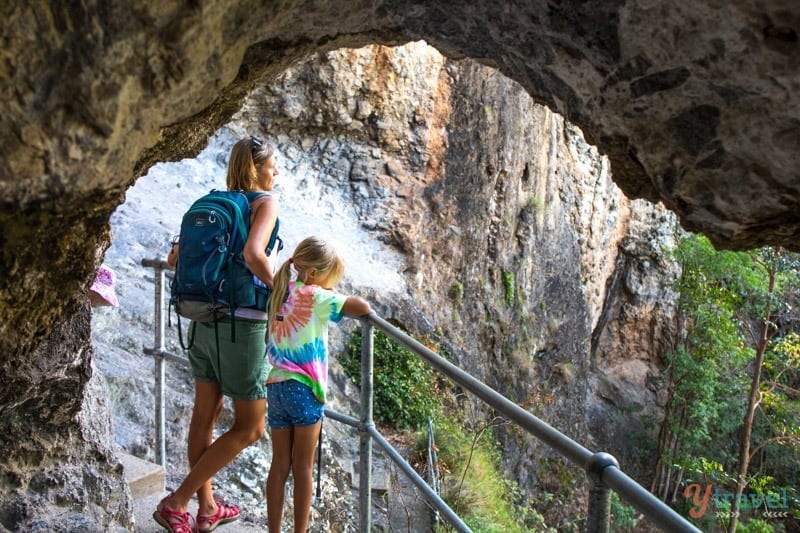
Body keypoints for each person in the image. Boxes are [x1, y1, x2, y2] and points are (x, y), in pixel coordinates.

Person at [155, 137, 280, 533]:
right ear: (258, 170)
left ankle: (207, 509)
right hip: (241, 327)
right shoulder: (264, 203)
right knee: (251, 427)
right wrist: (286, 295)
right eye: (273, 167)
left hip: (202, 319)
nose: (276, 174)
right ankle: (177, 501)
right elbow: (253, 255)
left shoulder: (209, 203)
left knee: (204, 418)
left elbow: (175, 259)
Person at [265, 236, 371, 532]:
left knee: (279, 466)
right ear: (313, 274)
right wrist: (329, 291)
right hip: (304, 390)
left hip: (276, 385)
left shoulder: (282, 288)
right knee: (303, 469)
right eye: (329, 278)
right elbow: (361, 307)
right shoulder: (317, 296)